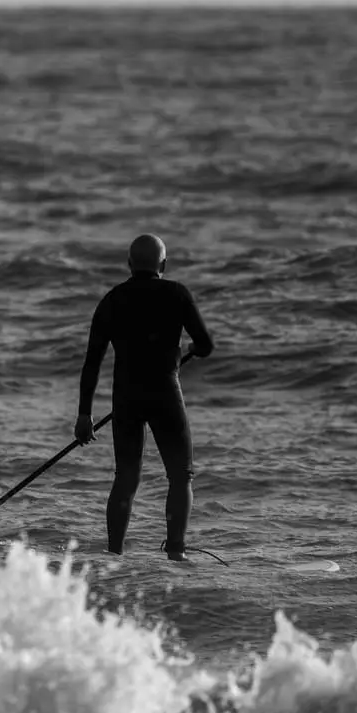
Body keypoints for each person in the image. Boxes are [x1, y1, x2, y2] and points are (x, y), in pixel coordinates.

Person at [74, 234, 214, 560]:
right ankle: (176, 552)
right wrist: (190, 350)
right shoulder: (177, 294)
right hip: (165, 391)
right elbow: (205, 344)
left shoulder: (111, 300)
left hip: (127, 397)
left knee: (126, 476)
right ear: (163, 265)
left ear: (129, 264)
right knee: (181, 475)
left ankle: (114, 554)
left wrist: (84, 415)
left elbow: (92, 361)